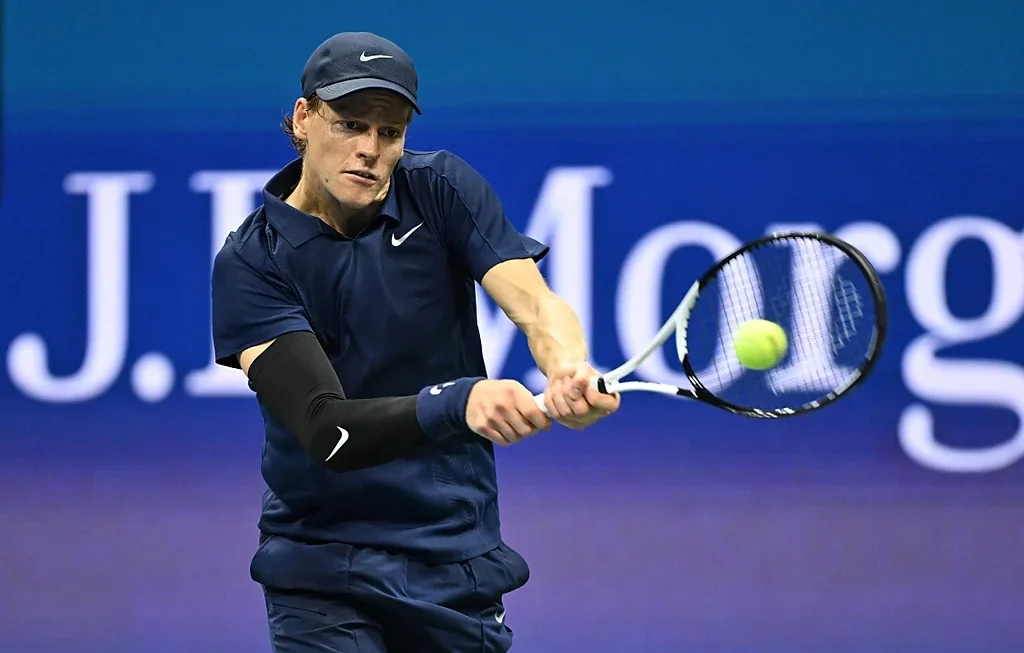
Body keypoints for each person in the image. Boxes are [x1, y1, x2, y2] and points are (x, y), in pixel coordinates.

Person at [210, 31, 619, 653]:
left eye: (390, 132)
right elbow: (326, 429)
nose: (370, 150)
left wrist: (567, 369)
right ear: (303, 118)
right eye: (350, 125)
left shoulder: (440, 188)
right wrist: (460, 402)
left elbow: (536, 306)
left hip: (455, 561)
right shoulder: (252, 261)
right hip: (323, 571)